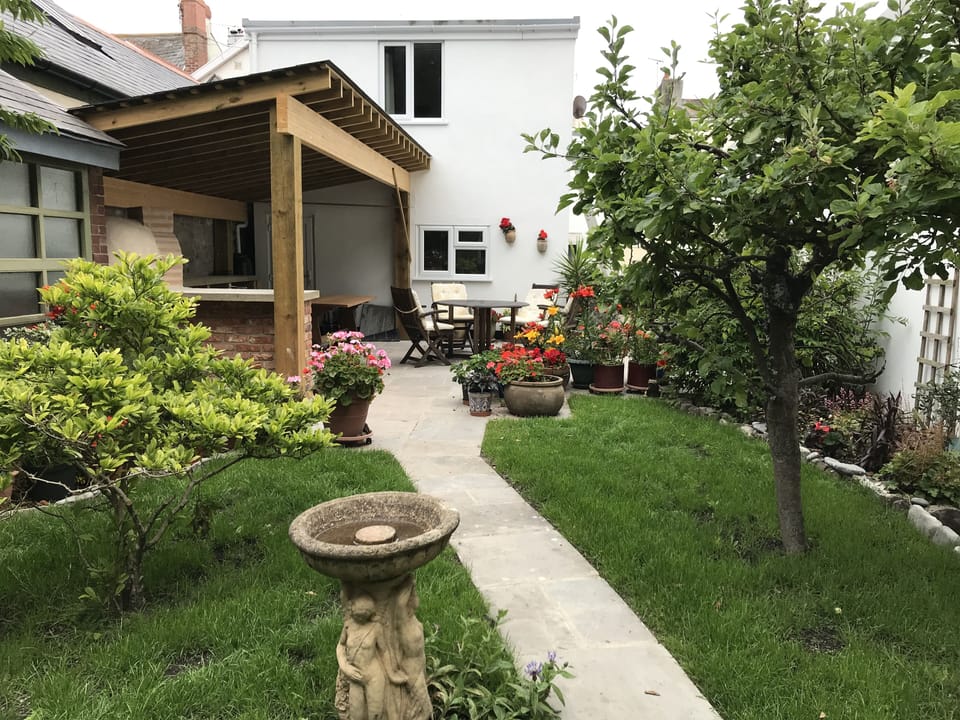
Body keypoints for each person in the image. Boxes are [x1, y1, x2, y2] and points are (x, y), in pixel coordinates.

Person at [336, 594, 407, 720]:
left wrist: (391, 674)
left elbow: (384, 652)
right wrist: (345, 666)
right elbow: (341, 646)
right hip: (355, 676)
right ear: (352, 610)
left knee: (375, 714)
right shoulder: (348, 626)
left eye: (363, 616)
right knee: (356, 714)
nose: (360, 619)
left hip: (373, 676)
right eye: (357, 615)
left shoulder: (376, 628)